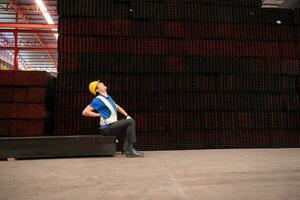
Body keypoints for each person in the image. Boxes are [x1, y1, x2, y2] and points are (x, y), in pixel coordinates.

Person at [82, 80, 144, 157]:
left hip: (112, 125)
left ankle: (126, 150)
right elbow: (85, 112)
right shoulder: (98, 100)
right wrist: (99, 115)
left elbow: (117, 107)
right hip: (106, 128)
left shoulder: (108, 98)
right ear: (97, 90)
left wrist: (127, 115)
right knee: (130, 122)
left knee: (127, 123)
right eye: (99, 84)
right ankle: (130, 151)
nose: (102, 83)